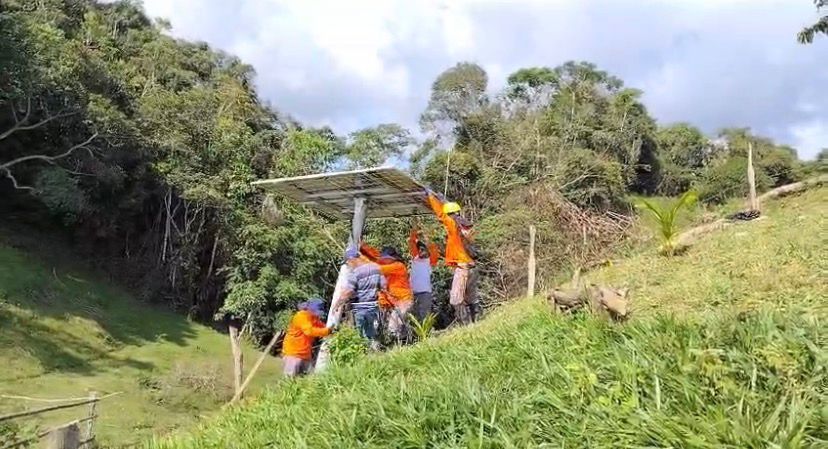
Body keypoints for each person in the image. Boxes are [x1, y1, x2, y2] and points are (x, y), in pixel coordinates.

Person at [424, 189, 482, 324]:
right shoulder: (466, 227)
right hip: (472, 267)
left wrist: (431, 197)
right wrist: (443, 199)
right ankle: (476, 322)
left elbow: (440, 214)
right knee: (471, 297)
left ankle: (466, 325)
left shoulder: (452, 226)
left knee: (456, 299)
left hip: (463, 268)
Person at [359, 242, 413, 343]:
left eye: (386, 258)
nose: (384, 260)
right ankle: (405, 343)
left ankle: (401, 345)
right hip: (394, 302)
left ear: (393, 258)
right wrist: (362, 247)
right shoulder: (388, 265)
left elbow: (378, 268)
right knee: (396, 325)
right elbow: (374, 258)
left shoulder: (398, 266)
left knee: (394, 325)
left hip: (403, 301)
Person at [334, 246, 386, 350]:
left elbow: (348, 291)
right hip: (373, 307)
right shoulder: (376, 267)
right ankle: (375, 354)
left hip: (359, 309)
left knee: (360, 334)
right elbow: (384, 285)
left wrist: (337, 304)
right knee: (372, 333)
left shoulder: (355, 273)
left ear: (351, 259)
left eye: (347, 263)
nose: (348, 265)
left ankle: (364, 355)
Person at [281, 298, 333, 377]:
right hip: (293, 354)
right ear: (310, 309)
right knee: (289, 382)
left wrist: (331, 330)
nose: (318, 314)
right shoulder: (301, 316)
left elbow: (321, 327)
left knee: (308, 382)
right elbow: (309, 331)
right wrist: (327, 331)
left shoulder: (314, 318)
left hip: (305, 355)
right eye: (317, 311)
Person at [408, 226, 440, 322]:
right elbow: (411, 241)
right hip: (413, 292)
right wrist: (414, 228)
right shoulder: (415, 258)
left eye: (424, 249)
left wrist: (426, 234)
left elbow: (433, 247)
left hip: (425, 292)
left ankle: (427, 335)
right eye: (420, 249)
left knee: (425, 316)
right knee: (415, 316)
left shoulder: (430, 260)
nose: (422, 251)